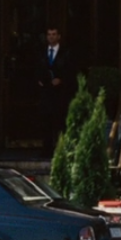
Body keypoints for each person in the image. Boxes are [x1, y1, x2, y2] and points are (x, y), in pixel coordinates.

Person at [36, 26, 77, 156]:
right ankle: (46, 149)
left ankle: (61, 148)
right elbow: (36, 68)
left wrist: (62, 80)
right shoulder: (41, 52)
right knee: (46, 120)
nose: (51, 37)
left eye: (54, 34)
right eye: (49, 34)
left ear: (59, 36)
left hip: (60, 93)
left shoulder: (66, 53)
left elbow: (71, 71)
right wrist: (39, 80)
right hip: (46, 92)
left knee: (60, 121)